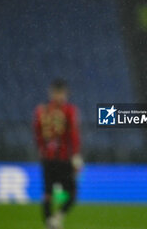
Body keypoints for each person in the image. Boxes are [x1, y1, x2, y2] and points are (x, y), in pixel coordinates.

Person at [33, 79, 82, 229]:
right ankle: (56, 218)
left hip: (47, 158)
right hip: (62, 158)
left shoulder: (41, 110)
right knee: (72, 193)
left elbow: (38, 134)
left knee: (48, 193)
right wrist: (75, 155)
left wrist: (42, 150)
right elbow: (72, 134)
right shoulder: (69, 110)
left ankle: (50, 221)